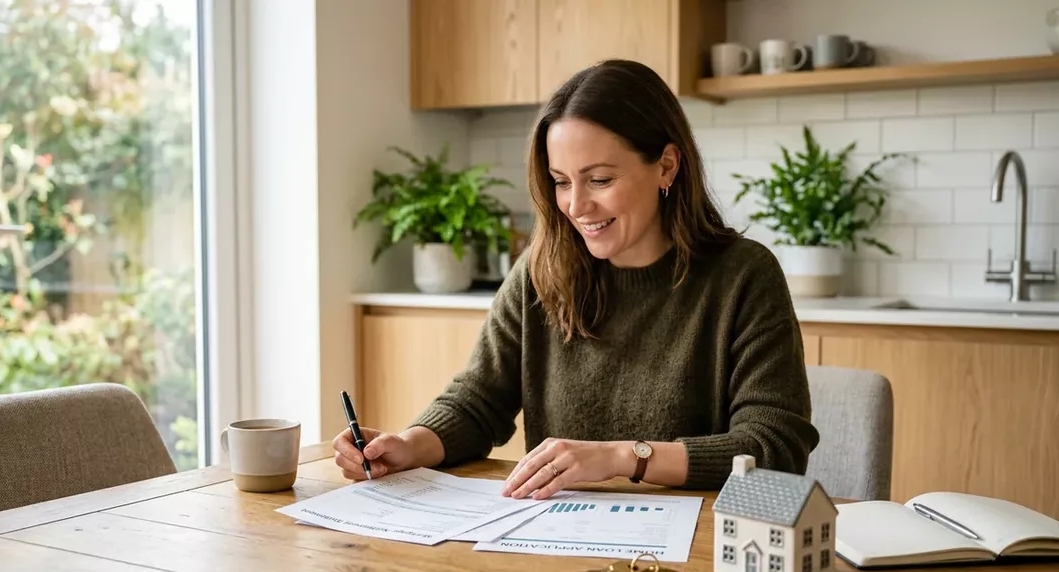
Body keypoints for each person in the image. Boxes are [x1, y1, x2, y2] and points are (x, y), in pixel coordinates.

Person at [333, 59, 819, 499]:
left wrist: (622, 457)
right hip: (557, 537)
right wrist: (408, 445)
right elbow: (478, 402)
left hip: (698, 547)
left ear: (666, 166)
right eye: (561, 182)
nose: (576, 206)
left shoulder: (743, 276)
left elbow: (774, 446)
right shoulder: (541, 269)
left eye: (600, 180)